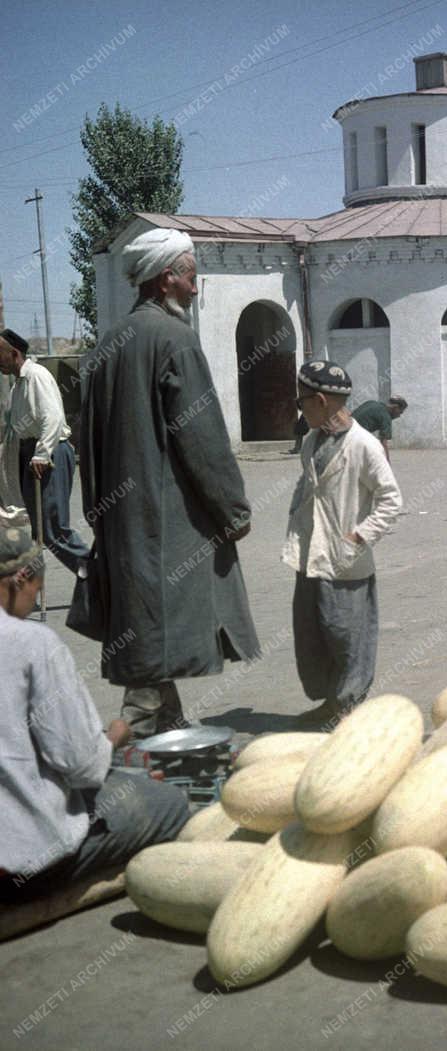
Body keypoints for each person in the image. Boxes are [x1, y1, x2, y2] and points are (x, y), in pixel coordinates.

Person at [78, 228, 260, 737]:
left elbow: (86, 445)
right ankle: (128, 737)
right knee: (158, 629)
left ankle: (167, 722)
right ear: (166, 280)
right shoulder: (176, 340)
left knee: (143, 621)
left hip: (122, 522)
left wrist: (101, 517)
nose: (196, 289)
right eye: (191, 278)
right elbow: (202, 439)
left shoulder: (107, 347)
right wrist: (234, 510)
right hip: (167, 521)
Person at [0, 523, 189, 905]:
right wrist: (114, 736)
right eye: (36, 590)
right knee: (168, 804)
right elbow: (82, 767)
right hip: (18, 866)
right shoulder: (33, 644)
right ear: (20, 580)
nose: (35, 601)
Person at [284, 362, 402, 725]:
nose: (300, 410)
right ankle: (329, 703)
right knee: (312, 634)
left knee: (347, 637)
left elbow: (391, 499)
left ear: (320, 401)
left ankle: (348, 706)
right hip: (311, 552)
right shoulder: (311, 441)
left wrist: (360, 535)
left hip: (346, 559)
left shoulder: (364, 445)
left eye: (303, 402)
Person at [0, 328, 90, 576]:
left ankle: (94, 571)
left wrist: (42, 454)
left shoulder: (37, 376)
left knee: (53, 530)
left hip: (50, 453)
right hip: (31, 454)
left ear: (14, 353)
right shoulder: (17, 386)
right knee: (40, 529)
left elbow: (52, 417)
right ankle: (31, 574)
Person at [352, 395, 407, 462]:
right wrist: (387, 462)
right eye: (400, 412)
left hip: (345, 427)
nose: (399, 416)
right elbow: (383, 443)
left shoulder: (372, 402)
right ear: (395, 407)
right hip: (353, 436)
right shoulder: (386, 417)